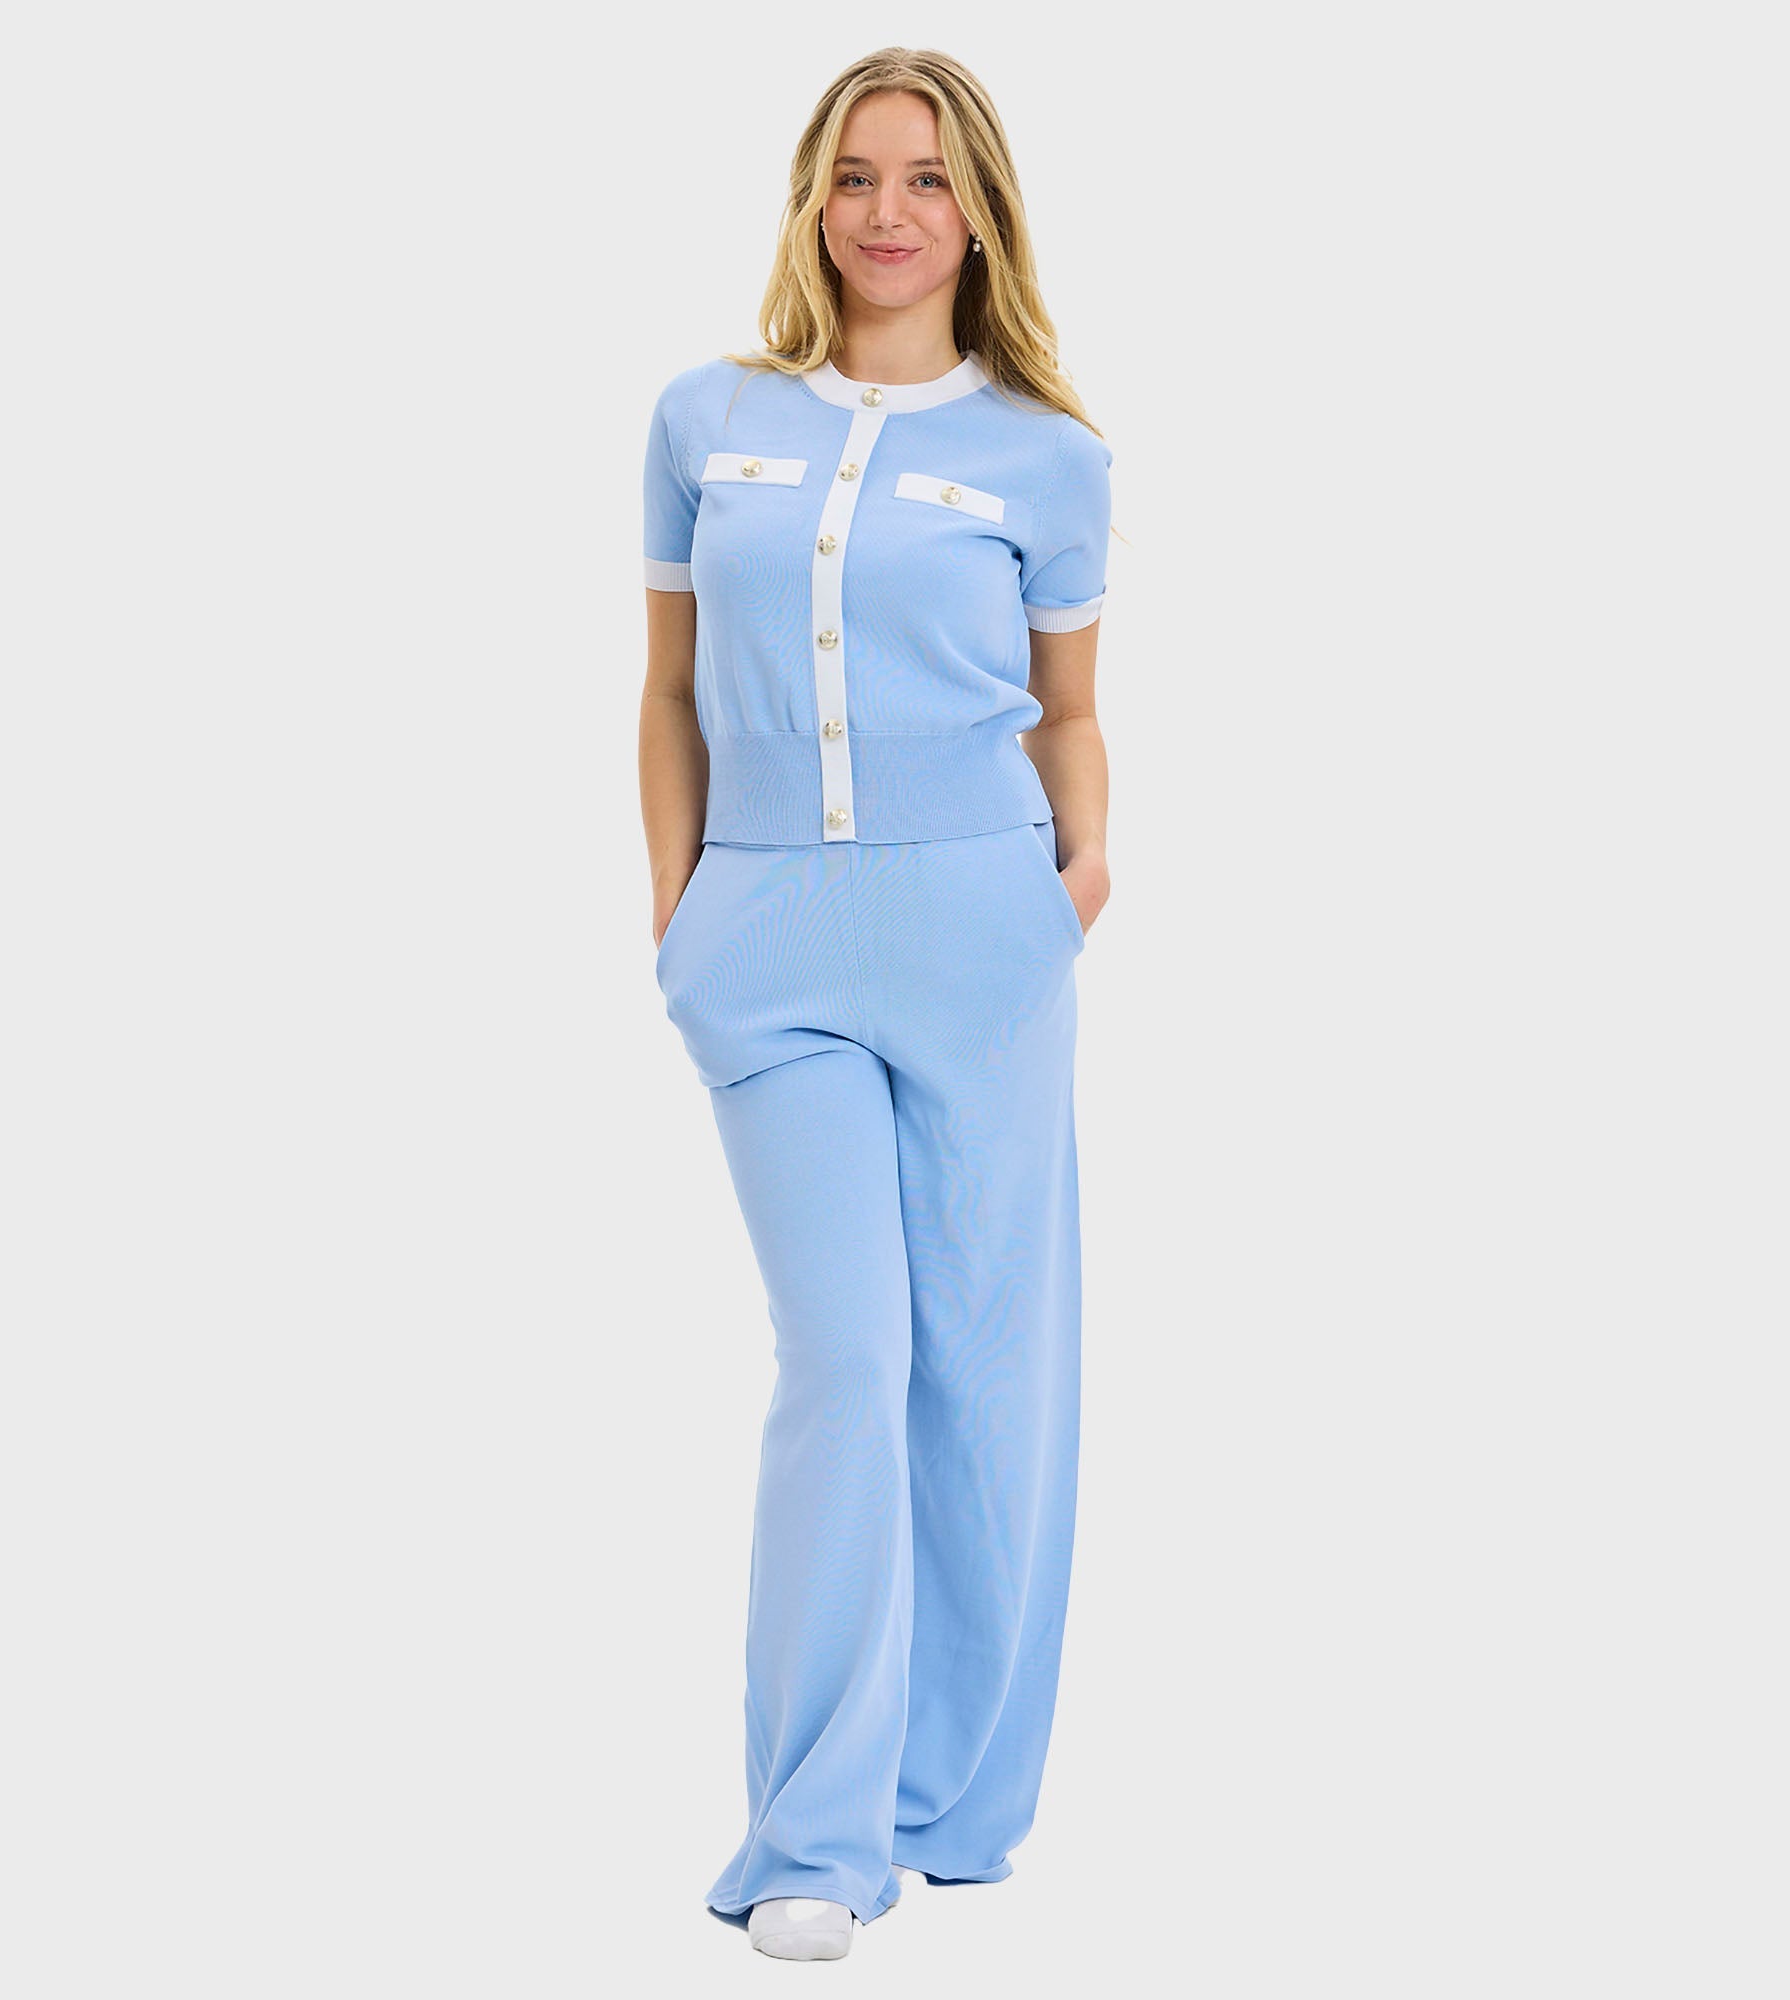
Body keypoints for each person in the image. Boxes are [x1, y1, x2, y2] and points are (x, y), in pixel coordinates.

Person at [638, 45, 1117, 1964]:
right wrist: (678, 908)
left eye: (926, 178)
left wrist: (1079, 882)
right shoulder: (706, 418)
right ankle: (817, 1836)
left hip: (985, 935)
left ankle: (959, 1804)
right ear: (812, 200)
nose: (888, 211)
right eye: (856, 175)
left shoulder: (1049, 455)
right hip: (768, 947)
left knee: (985, 1371)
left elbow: (1070, 709)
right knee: (845, 1361)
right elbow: (663, 686)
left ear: (979, 211)